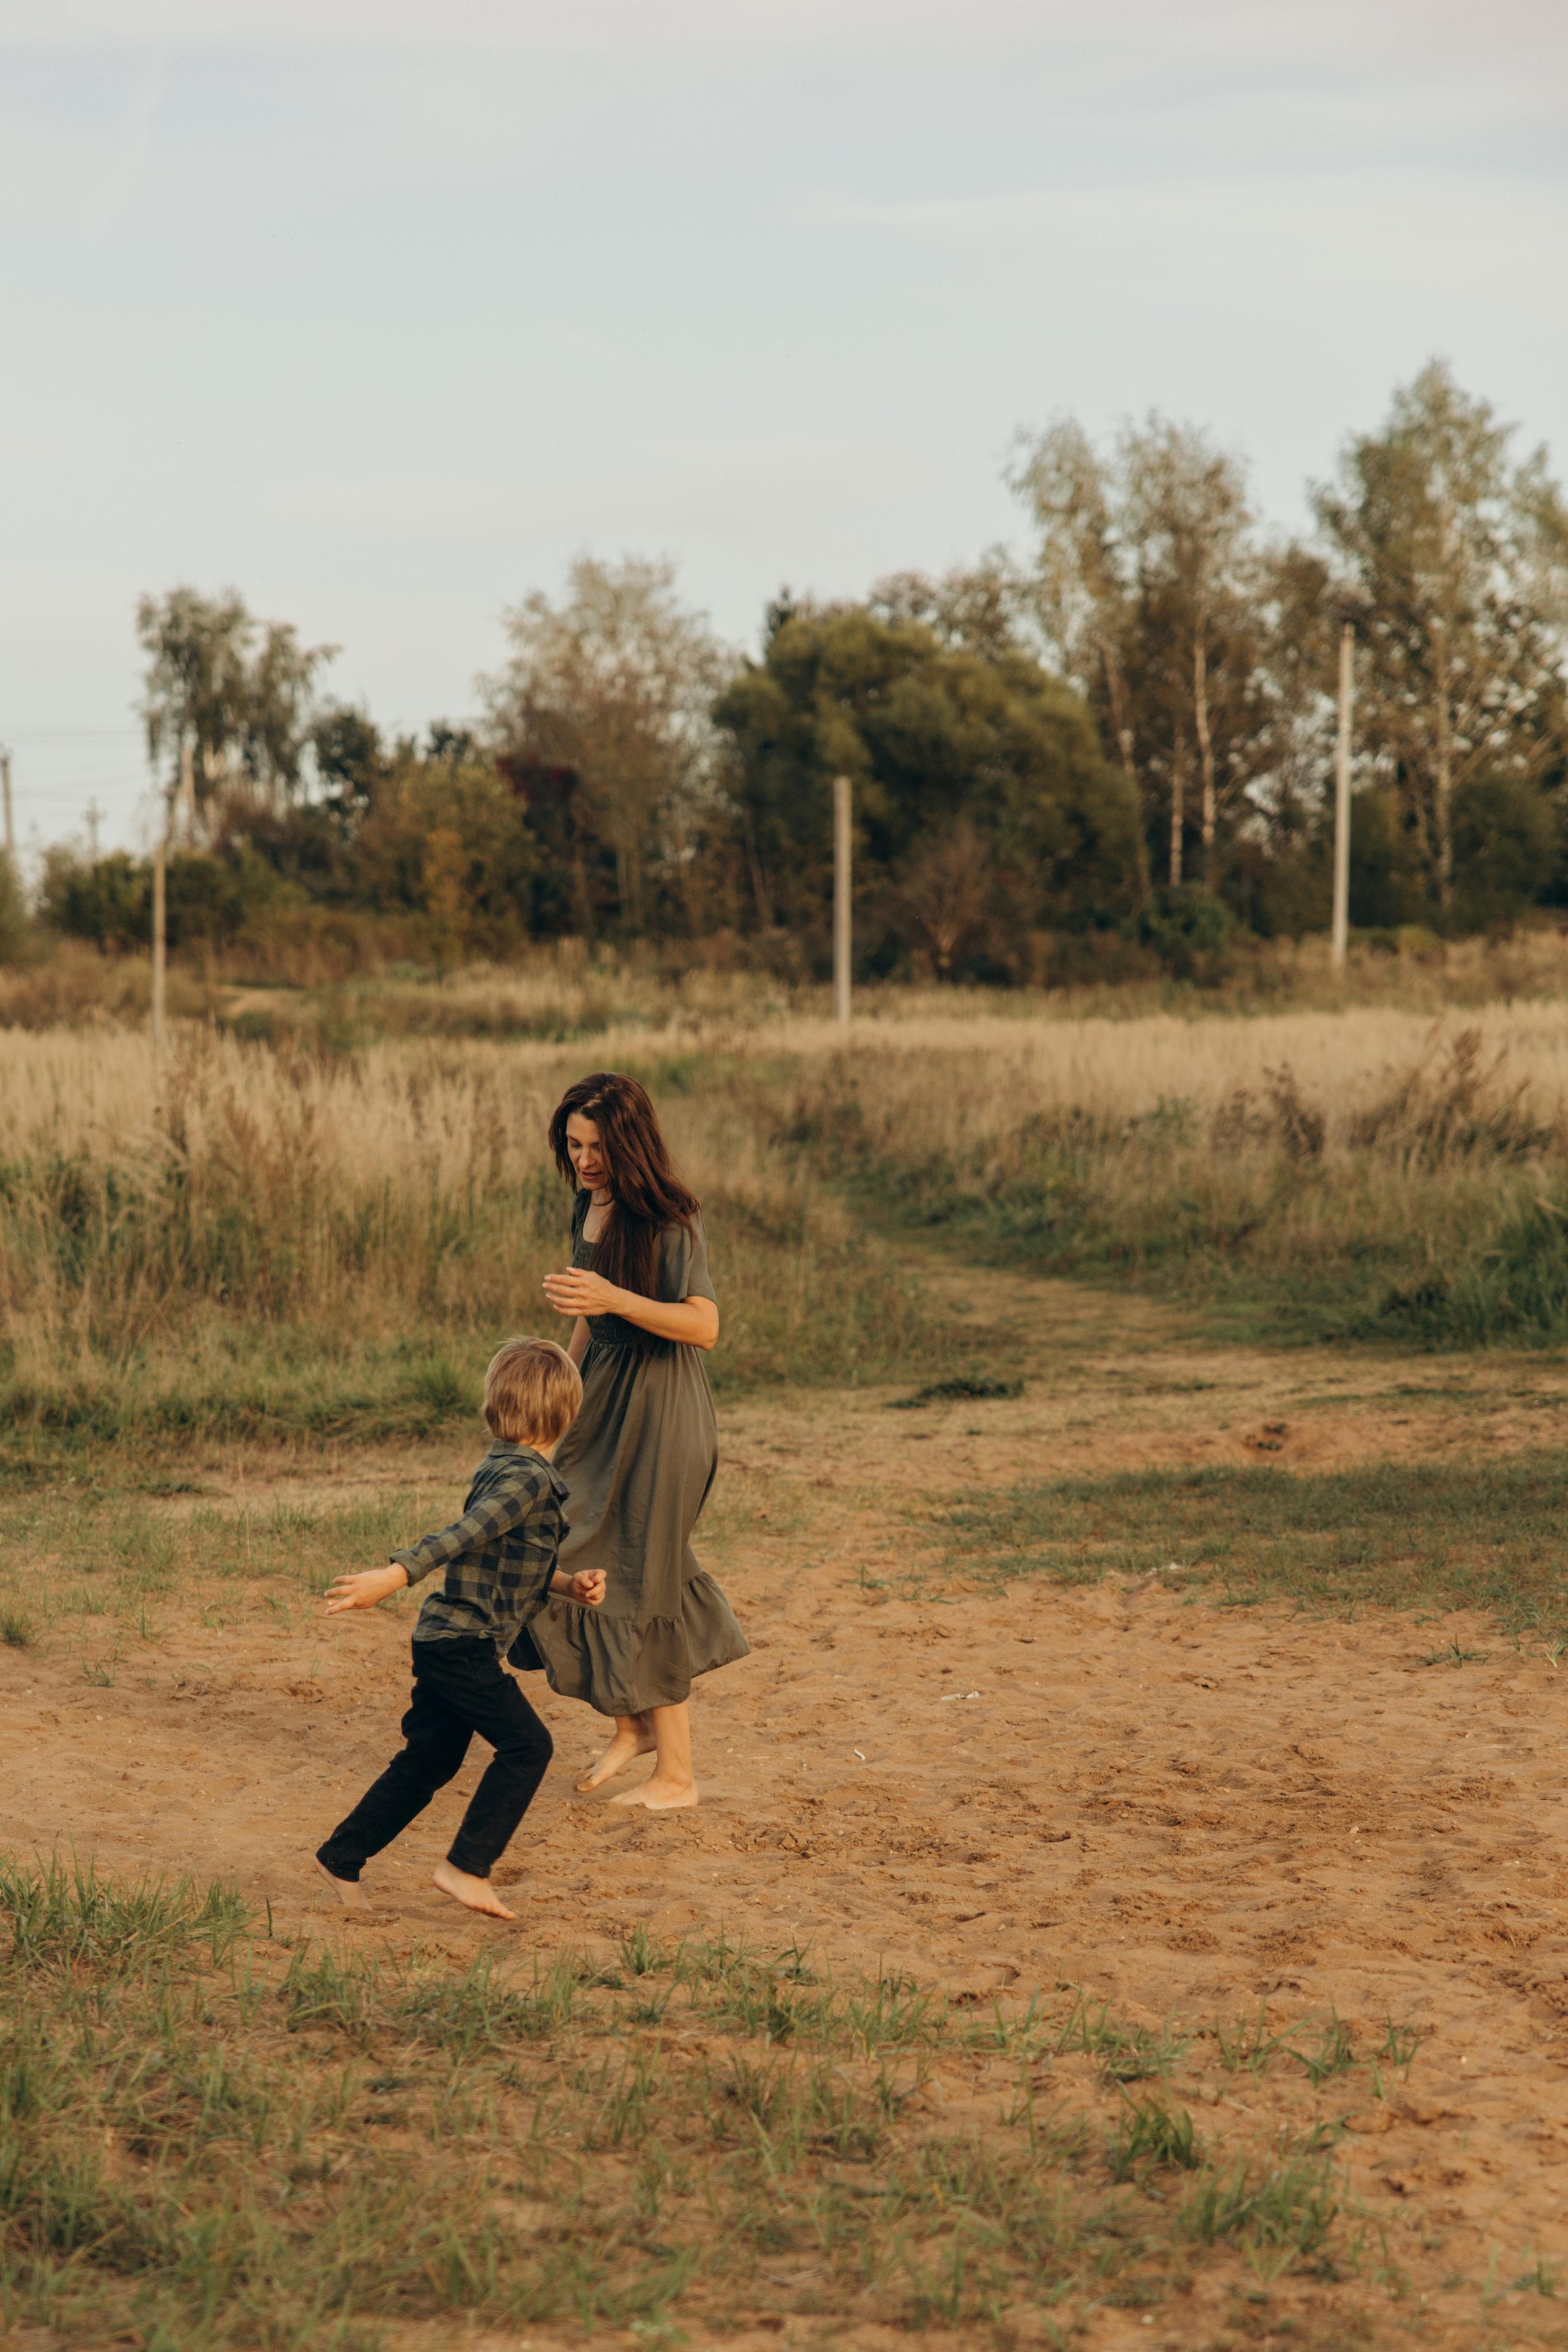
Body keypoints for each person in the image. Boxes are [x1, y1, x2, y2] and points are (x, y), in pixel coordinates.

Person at [516, 1070, 748, 1810]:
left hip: (665, 1410)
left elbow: (704, 1326)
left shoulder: (669, 1219)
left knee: (644, 1574)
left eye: (598, 1146)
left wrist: (616, 1297)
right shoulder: (588, 1204)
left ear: (630, 1141)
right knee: (548, 1547)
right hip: (604, 1402)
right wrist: (559, 1396)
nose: (585, 1160)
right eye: (574, 1145)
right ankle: (633, 1723)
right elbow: (589, 1315)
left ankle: (677, 1775)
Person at [314, 1336, 603, 1920]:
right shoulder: (527, 1480)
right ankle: (466, 1867)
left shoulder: (502, 1465)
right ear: (568, 1414)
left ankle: (341, 1856)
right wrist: (396, 1575)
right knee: (529, 1747)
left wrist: (568, 1585)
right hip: (462, 1647)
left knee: (429, 1762)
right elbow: (464, 1534)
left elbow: (513, 1555)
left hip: (445, 1643)